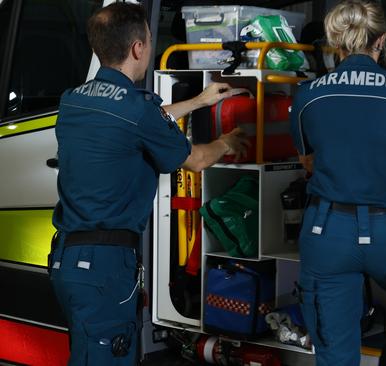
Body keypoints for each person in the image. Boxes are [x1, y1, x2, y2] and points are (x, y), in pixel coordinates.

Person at [47, 3, 248, 365]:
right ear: (138, 48)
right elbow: (197, 160)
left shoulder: (72, 101)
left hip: (67, 261)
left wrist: (199, 101)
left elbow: (138, 123)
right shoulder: (137, 110)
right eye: (151, 40)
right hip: (105, 268)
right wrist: (227, 143)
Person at [289, 1, 386, 365]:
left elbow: (306, 160)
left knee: (335, 354)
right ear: (382, 40)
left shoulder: (310, 95)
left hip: (328, 231)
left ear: (335, 43)